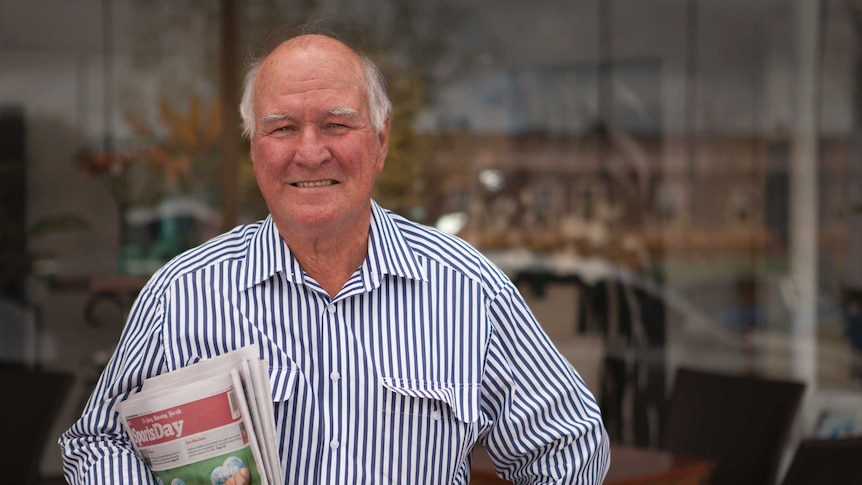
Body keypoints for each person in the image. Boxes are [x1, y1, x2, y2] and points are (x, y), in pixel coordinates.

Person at [59, 30, 610, 484]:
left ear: (381, 140)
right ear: (255, 148)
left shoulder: (465, 288)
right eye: (282, 128)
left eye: (336, 124)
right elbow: (99, 443)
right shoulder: (182, 294)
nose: (309, 151)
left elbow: (569, 449)